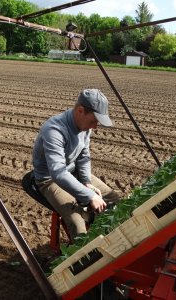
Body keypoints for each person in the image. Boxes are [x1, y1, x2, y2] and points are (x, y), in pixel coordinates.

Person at [32, 89, 121, 239]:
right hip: (50, 179)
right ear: (81, 111)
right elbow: (58, 173)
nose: (95, 127)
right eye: (94, 121)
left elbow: (84, 156)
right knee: (77, 222)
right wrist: (90, 196)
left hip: (73, 172)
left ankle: (100, 237)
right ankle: (85, 258)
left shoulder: (85, 126)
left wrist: (86, 182)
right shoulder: (54, 130)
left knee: (113, 199)